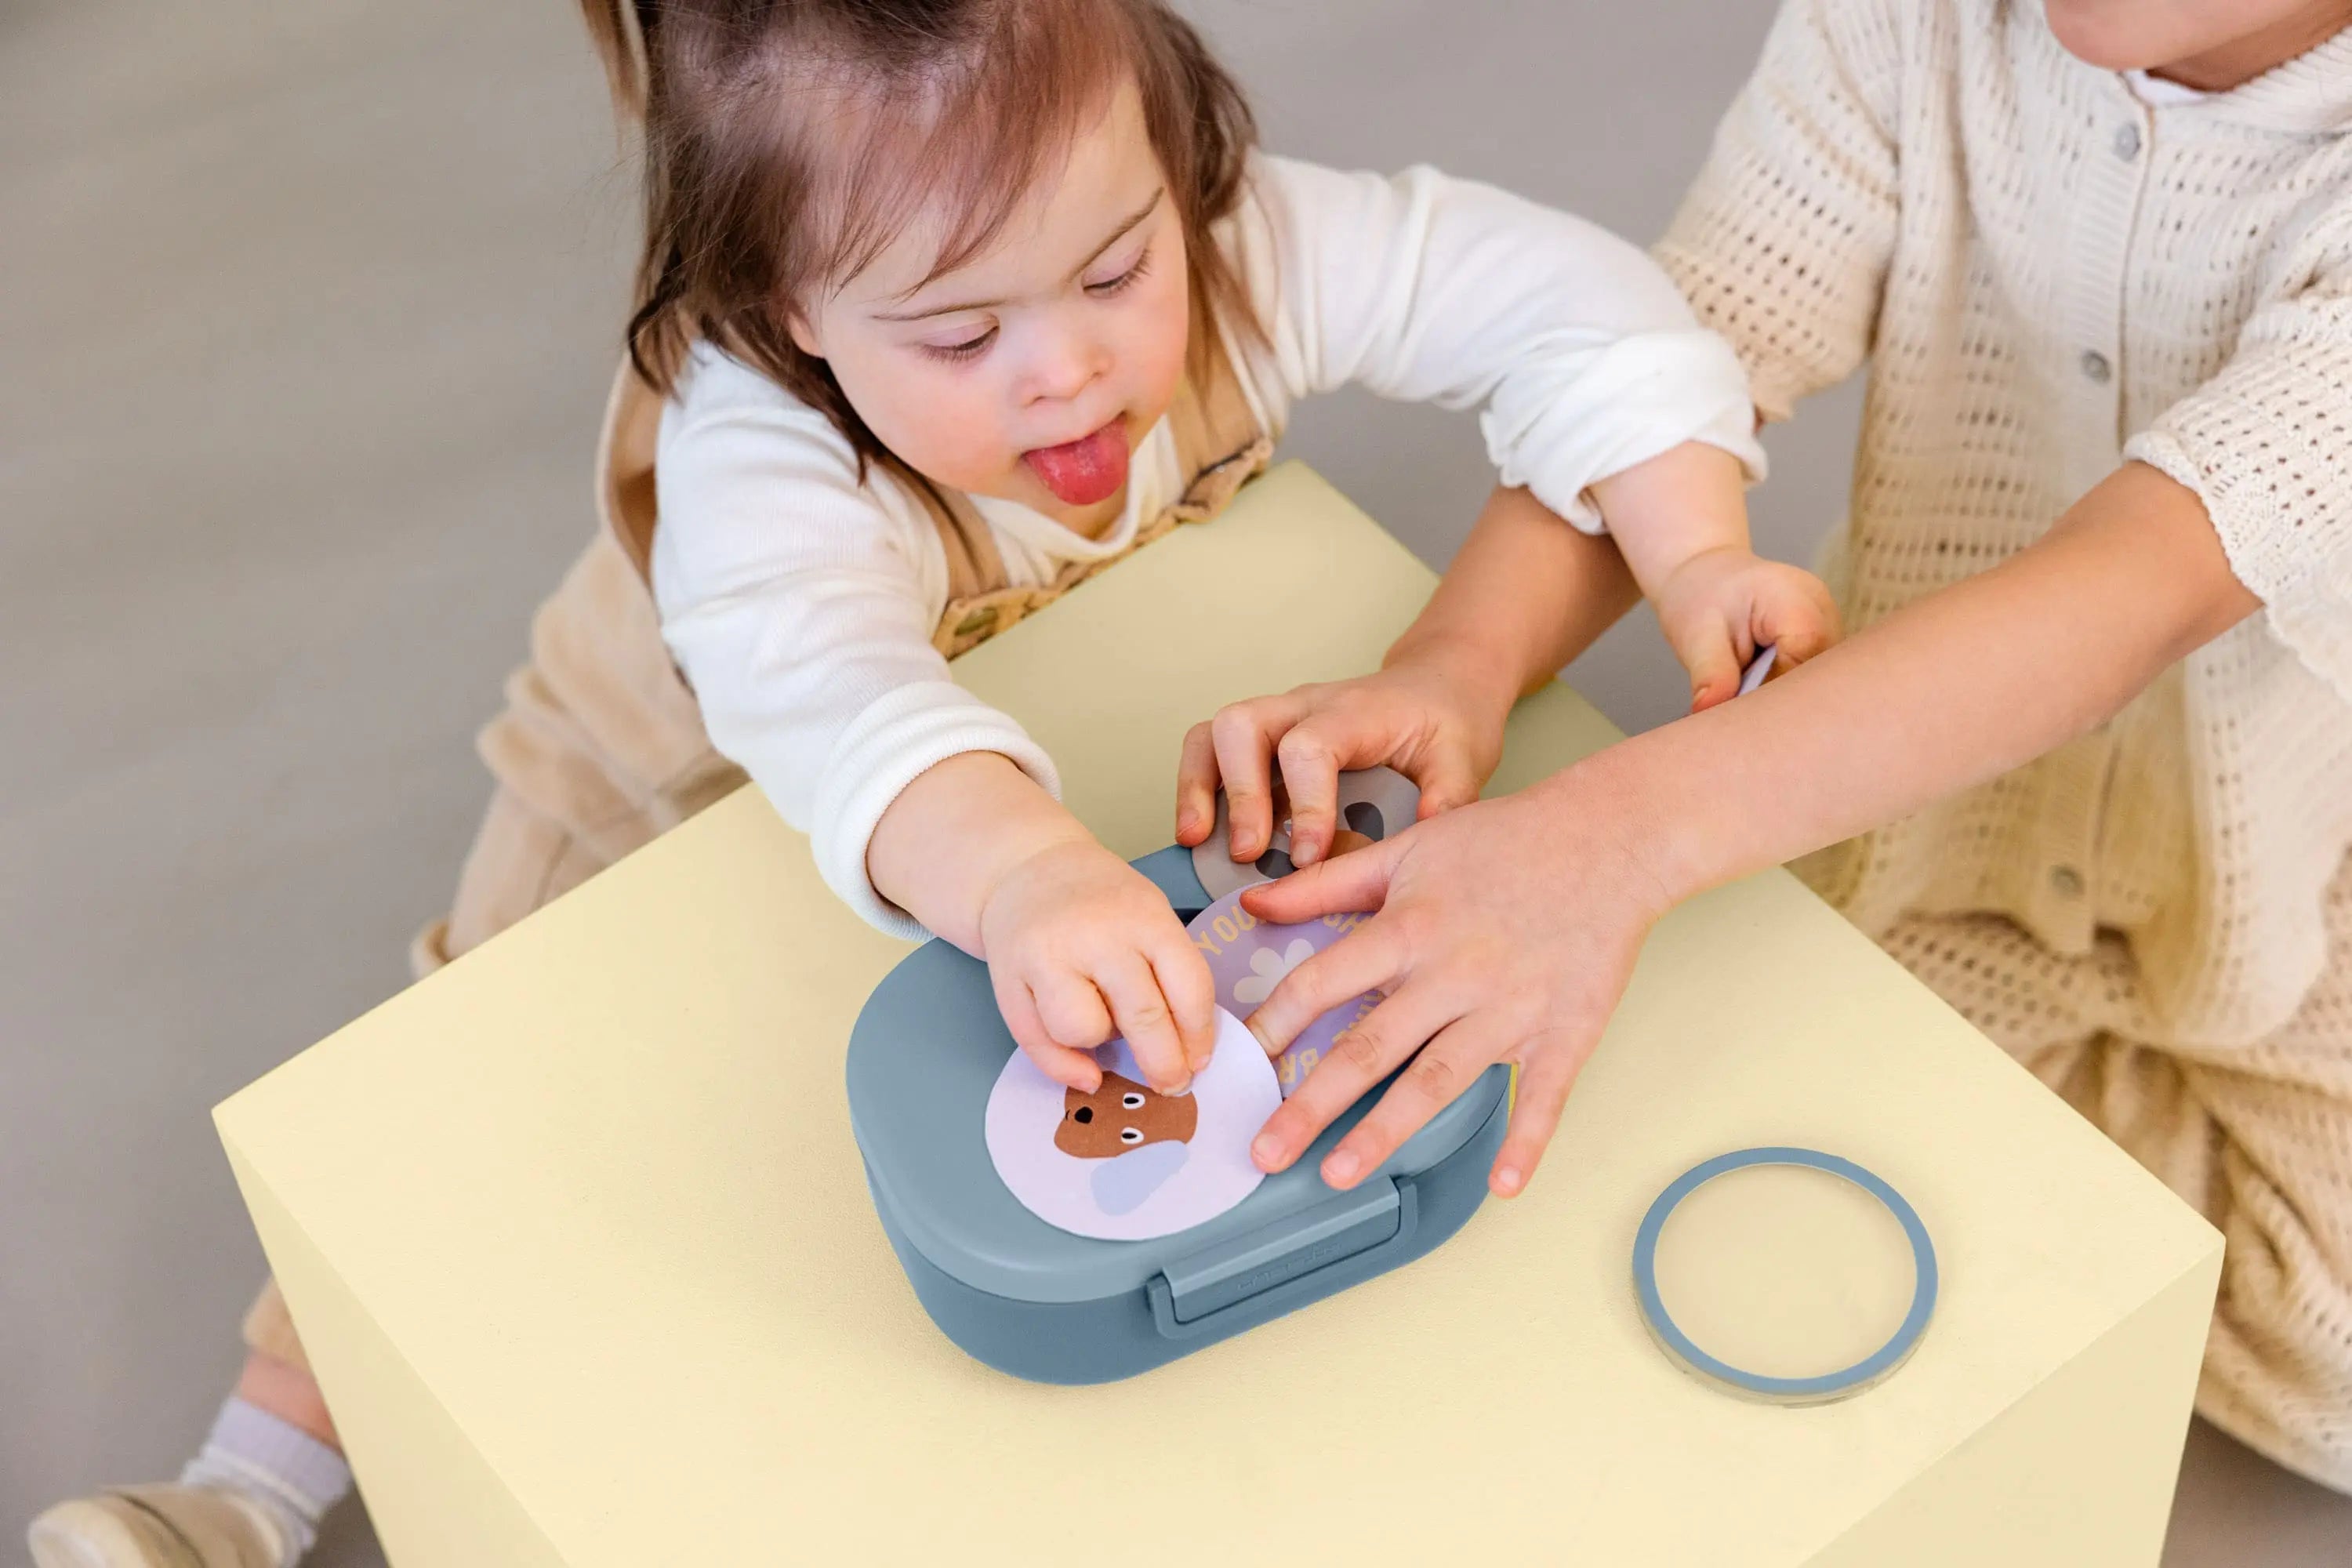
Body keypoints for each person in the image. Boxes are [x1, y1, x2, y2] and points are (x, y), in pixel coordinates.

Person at [31, 2, 1833, 1563]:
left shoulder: (1239, 245)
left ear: (1178, 162)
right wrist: (1023, 875)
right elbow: (841, 705)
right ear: (790, 312)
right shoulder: (756, 453)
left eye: (1119, 266)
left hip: (1055, 744)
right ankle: (254, 1474)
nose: (1070, 365)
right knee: (464, 1081)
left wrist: (1691, 558)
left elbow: (1577, 312)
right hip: (685, 776)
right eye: (960, 336)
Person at [1198, 0, 2352, 1494]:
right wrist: (1461, 664)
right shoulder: (1909, 25)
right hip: (1901, 841)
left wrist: (1604, 842)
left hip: (2288, 894)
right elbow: (1669, 365)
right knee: (1626, 1190)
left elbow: (2119, 601)